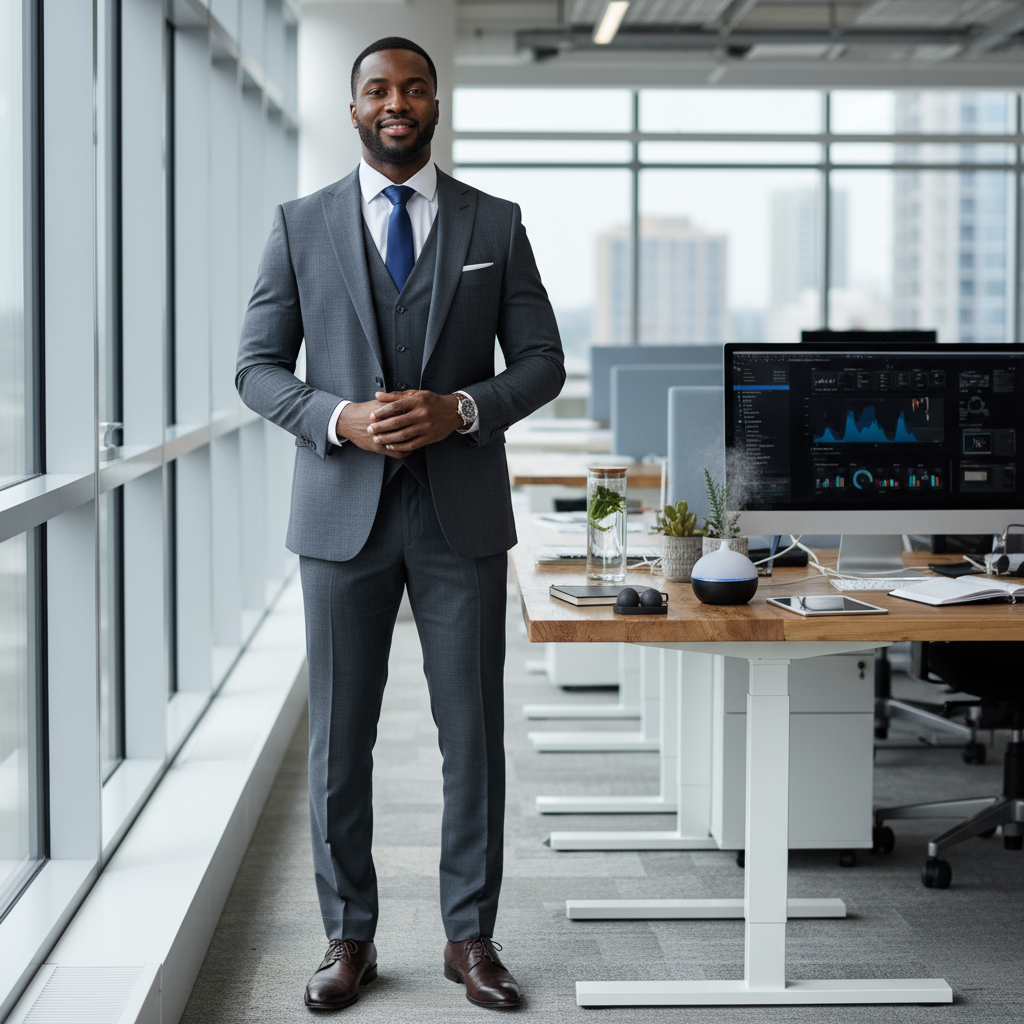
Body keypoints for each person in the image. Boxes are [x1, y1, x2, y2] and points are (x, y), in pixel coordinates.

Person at [236, 36, 564, 1012]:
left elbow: (541, 360)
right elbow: (256, 367)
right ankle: (349, 938)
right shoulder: (299, 225)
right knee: (342, 737)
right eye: (377, 88)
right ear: (353, 108)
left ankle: (471, 939)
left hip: (459, 515)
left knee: (472, 734)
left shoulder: (493, 223)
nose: (396, 102)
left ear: (433, 102)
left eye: (413, 87)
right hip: (341, 516)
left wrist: (462, 408)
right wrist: (337, 417)